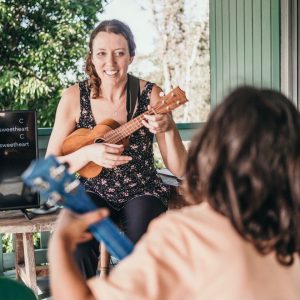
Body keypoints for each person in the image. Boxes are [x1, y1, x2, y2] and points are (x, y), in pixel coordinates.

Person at [48, 86, 300, 300]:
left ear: (211, 151)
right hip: (97, 192)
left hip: (140, 193)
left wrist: (60, 242)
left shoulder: (185, 234)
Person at [46, 19, 187, 279]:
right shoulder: (73, 98)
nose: (110, 64)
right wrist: (88, 154)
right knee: (76, 245)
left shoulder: (150, 95)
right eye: (101, 54)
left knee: (138, 250)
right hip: (93, 189)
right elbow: (51, 166)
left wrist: (168, 128)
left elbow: (179, 168)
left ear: (131, 56)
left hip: (142, 188)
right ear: (92, 56)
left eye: (119, 53)